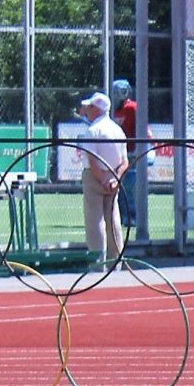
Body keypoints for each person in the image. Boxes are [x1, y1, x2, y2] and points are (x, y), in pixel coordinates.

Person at [73, 91, 128, 263]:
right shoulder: (117, 130)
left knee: (95, 219)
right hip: (113, 176)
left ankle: (98, 261)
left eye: (90, 107)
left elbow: (92, 159)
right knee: (113, 219)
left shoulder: (93, 130)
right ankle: (115, 260)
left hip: (95, 177)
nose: (87, 110)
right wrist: (115, 178)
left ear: (96, 109)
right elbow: (125, 160)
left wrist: (103, 178)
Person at [109, 78, 143, 231]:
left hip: (131, 153)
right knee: (120, 188)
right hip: (118, 154)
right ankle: (123, 215)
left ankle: (133, 217)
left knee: (129, 187)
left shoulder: (133, 108)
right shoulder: (113, 111)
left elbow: (140, 129)